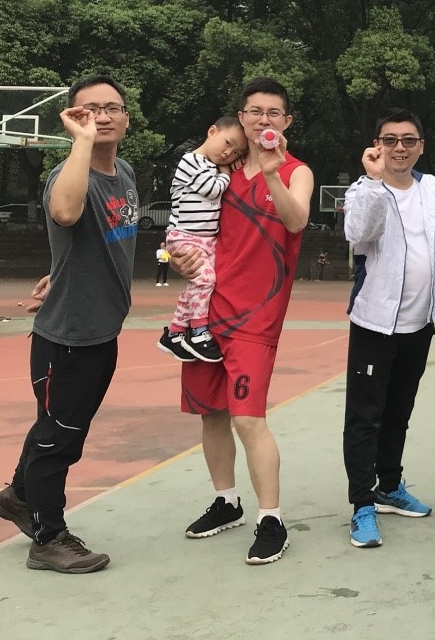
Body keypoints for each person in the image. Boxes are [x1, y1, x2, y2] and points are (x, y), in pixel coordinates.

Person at [0, 74, 138, 573]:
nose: (102, 116)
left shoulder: (125, 172)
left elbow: (89, 240)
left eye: (112, 107)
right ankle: (48, 537)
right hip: (69, 338)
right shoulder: (70, 173)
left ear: (126, 117)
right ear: (73, 118)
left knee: (60, 427)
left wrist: (60, 272)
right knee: (59, 438)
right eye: (89, 110)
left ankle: (17, 495)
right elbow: (66, 213)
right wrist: (82, 143)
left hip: (103, 329)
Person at [171, 77, 313, 565]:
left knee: (248, 420)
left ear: (286, 121)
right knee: (211, 414)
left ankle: (271, 518)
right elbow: (188, 227)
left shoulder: (296, 172)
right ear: (241, 118)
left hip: (255, 318)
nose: (263, 120)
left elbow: (296, 221)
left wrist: (271, 174)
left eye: (273, 112)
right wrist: (176, 258)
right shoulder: (218, 172)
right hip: (206, 315)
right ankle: (226, 501)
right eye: (254, 111)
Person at [340, 108, 435, 548]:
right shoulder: (363, 189)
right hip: (375, 323)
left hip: (420, 323)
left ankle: (389, 485)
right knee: (364, 417)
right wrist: (372, 182)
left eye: (408, 140)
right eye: (390, 140)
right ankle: (362, 504)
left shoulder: (434, 189)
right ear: (377, 145)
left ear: (421, 146)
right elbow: (358, 235)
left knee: (399, 413)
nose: (399, 147)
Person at [156, 116, 248, 362]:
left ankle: (175, 332)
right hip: (185, 236)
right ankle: (198, 331)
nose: (228, 153)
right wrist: (226, 172)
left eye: (237, 153)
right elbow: (213, 189)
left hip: (204, 238)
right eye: (227, 143)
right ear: (212, 131)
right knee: (205, 280)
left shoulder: (209, 166)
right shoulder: (191, 161)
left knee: (197, 284)